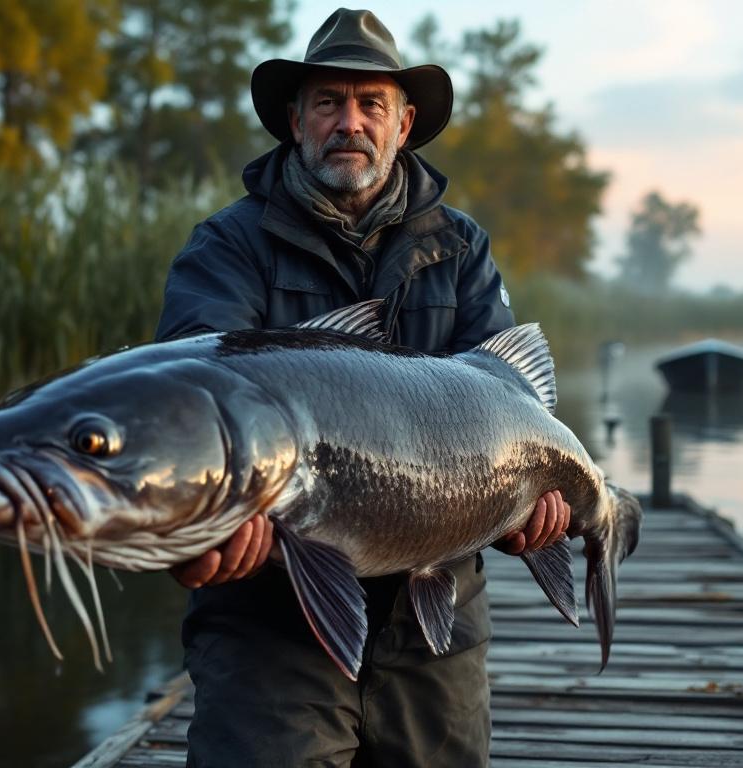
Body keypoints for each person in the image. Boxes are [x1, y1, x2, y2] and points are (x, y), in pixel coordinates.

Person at [154, 9, 570, 766]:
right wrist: (195, 528)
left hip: (434, 621)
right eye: (327, 102)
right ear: (295, 120)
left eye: (370, 103)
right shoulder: (226, 247)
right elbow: (189, 411)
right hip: (267, 624)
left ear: (404, 123)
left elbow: (511, 402)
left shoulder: (462, 247)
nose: (349, 122)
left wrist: (524, 512)